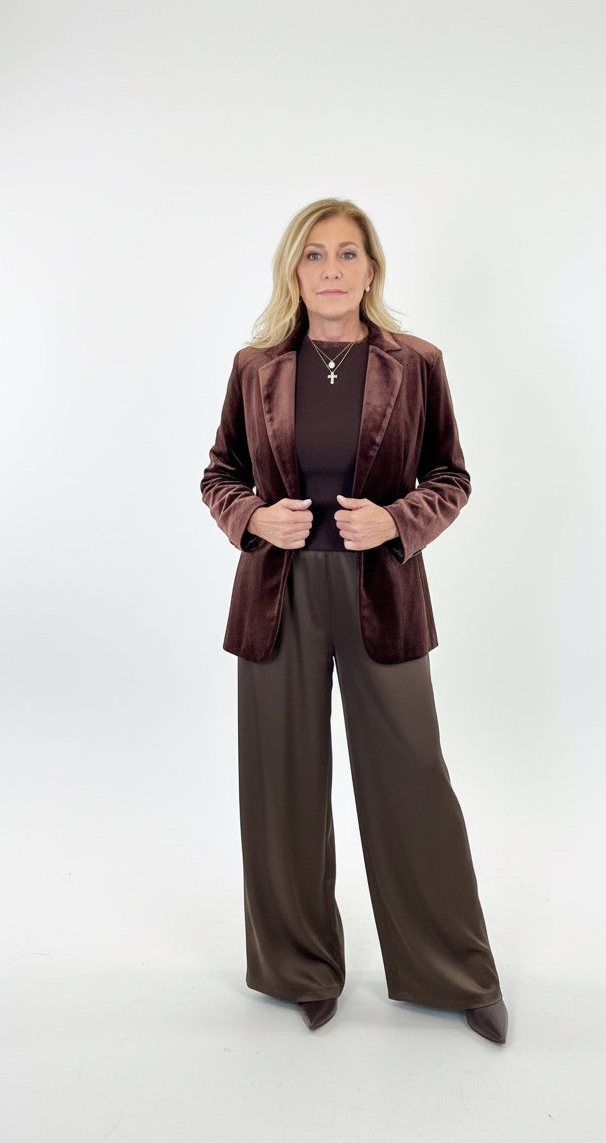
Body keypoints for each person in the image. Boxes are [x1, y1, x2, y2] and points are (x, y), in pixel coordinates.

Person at [200, 198, 507, 1043]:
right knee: (282, 785)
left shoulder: (417, 364)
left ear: (371, 268)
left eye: (346, 253)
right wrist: (254, 518)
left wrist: (398, 521)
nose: (330, 269)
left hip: (385, 594)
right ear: (293, 271)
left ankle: (455, 974)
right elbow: (220, 474)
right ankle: (300, 969)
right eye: (313, 255)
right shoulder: (256, 366)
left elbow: (451, 476)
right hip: (277, 596)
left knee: (413, 780)